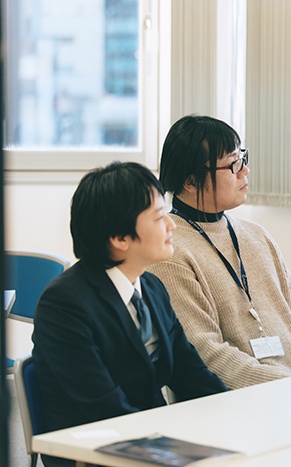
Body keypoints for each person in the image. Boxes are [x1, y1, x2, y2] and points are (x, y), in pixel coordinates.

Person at [32, 162, 227, 467]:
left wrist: (236, 412)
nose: (172, 225)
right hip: (94, 452)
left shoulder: (151, 287)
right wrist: (176, 449)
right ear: (120, 239)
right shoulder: (63, 303)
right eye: (159, 217)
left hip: (150, 439)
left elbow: (192, 374)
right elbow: (102, 406)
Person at [148, 115, 291, 389]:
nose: (245, 172)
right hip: (248, 407)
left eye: (242, 158)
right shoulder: (170, 252)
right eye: (232, 165)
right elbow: (209, 355)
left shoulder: (256, 235)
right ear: (190, 181)